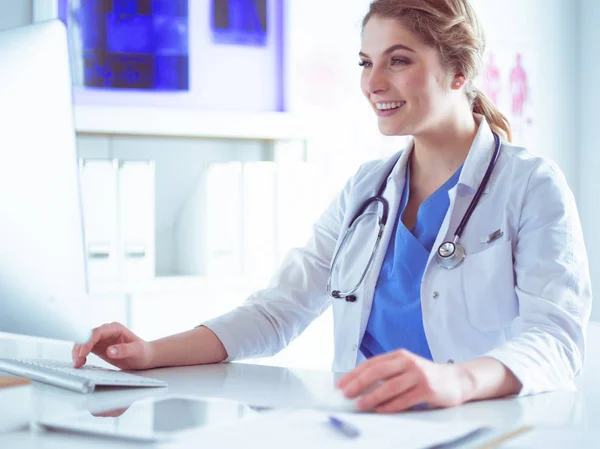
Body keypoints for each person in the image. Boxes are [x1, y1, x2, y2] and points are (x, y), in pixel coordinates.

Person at [72, 0, 591, 414]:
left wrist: (456, 380)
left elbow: (557, 337)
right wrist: (149, 353)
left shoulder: (530, 184)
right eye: (366, 63)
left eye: (399, 60)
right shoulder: (367, 188)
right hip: (366, 424)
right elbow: (280, 308)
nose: (373, 83)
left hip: (479, 426)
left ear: (459, 72)